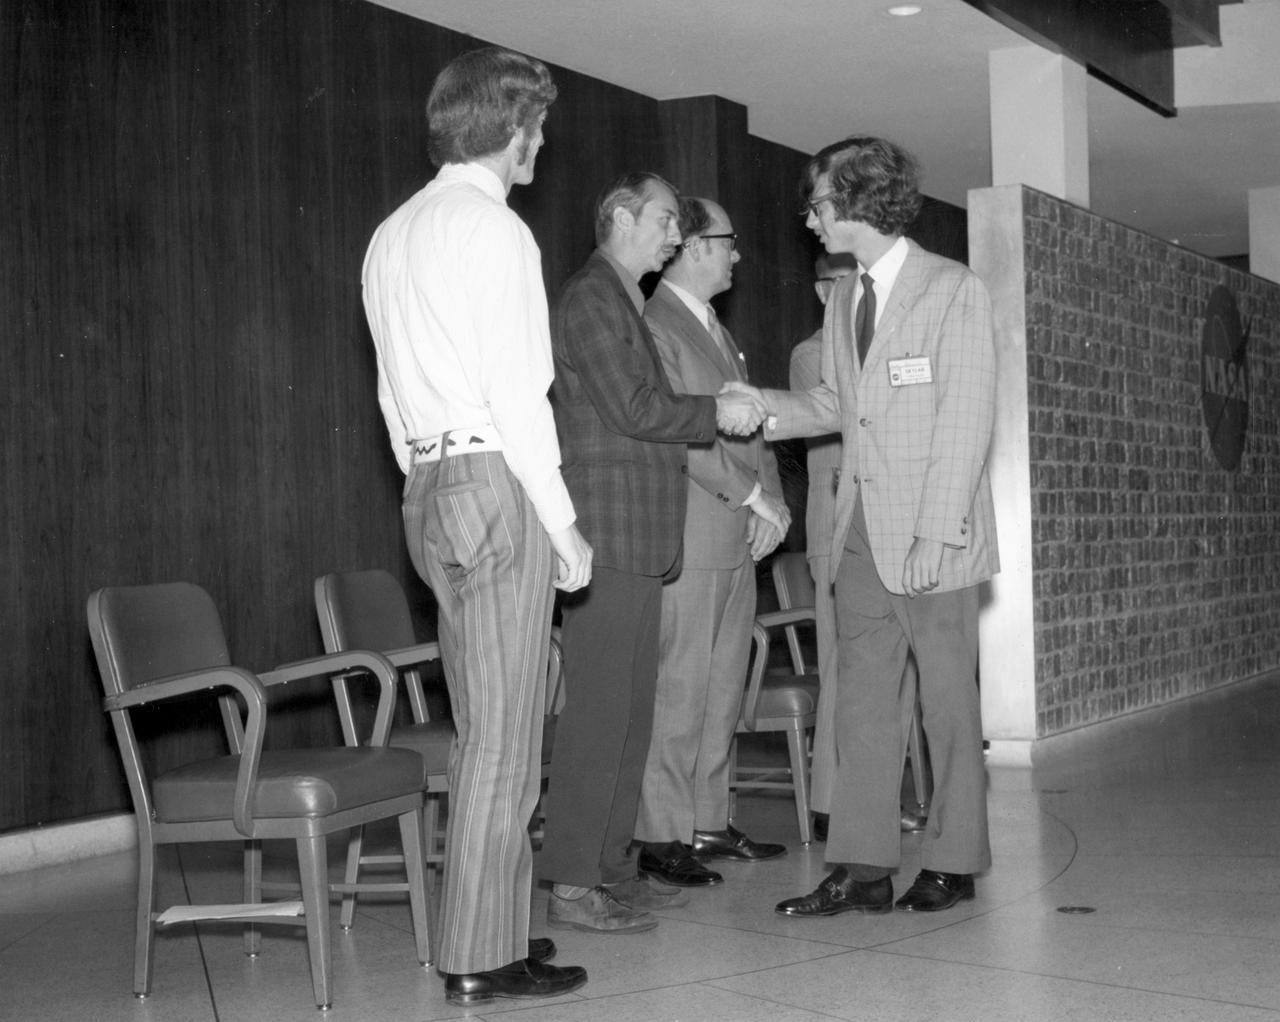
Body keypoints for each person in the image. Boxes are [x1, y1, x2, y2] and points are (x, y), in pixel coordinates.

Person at [361, 46, 591, 1005]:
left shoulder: (393, 232)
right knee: (507, 734)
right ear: (512, 129)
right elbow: (520, 395)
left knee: (490, 720)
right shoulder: (495, 230)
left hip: (428, 480)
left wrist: (427, 478)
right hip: (496, 476)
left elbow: (386, 393)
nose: (540, 142)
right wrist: (565, 525)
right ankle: (478, 955)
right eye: (536, 125)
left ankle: (498, 929)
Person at [726, 135, 997, 915]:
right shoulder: (846, 296)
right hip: (857, 534)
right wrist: (763, 407)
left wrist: (933, 533)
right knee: (863, 706)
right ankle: (862, 866)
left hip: (929, 537)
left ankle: (953, 860)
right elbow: (839, 409)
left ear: (855, 199)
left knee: (947, 705)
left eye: (817, 203)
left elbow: (966, 419)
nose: (810, 220)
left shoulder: (953, 290)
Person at [540, 173, 767, 933]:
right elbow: (635, 407)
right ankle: (574, 884)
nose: (677, 234)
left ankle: (613, 873)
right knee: (600, 718)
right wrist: (717, 409)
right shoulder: (592, 298)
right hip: (610, 534)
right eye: (668, 221)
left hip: (639, 535)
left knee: (631, 717)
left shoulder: (622, 299)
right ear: (622, 218)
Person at [634, 197, 791, 888]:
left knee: (723, 688)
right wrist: (751, 497)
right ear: (696, 246)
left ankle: (707, 819)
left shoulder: (715, 329)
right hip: (692, 534)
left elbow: (751, 428)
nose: (737, 255)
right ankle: (662, 835)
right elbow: (680, 435)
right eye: (728, 242)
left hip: (738, 535)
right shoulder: (655, 323)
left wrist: (775, 504)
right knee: (680, 690)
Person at [791, 255, 929, 843]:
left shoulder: (889, 339)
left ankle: (870, 800)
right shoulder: (813, 351)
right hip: (839, 525)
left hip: (885, 523)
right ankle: (833, 806)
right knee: (845, 670)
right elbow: (846, 418)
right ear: (826, 289)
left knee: (885, 676)